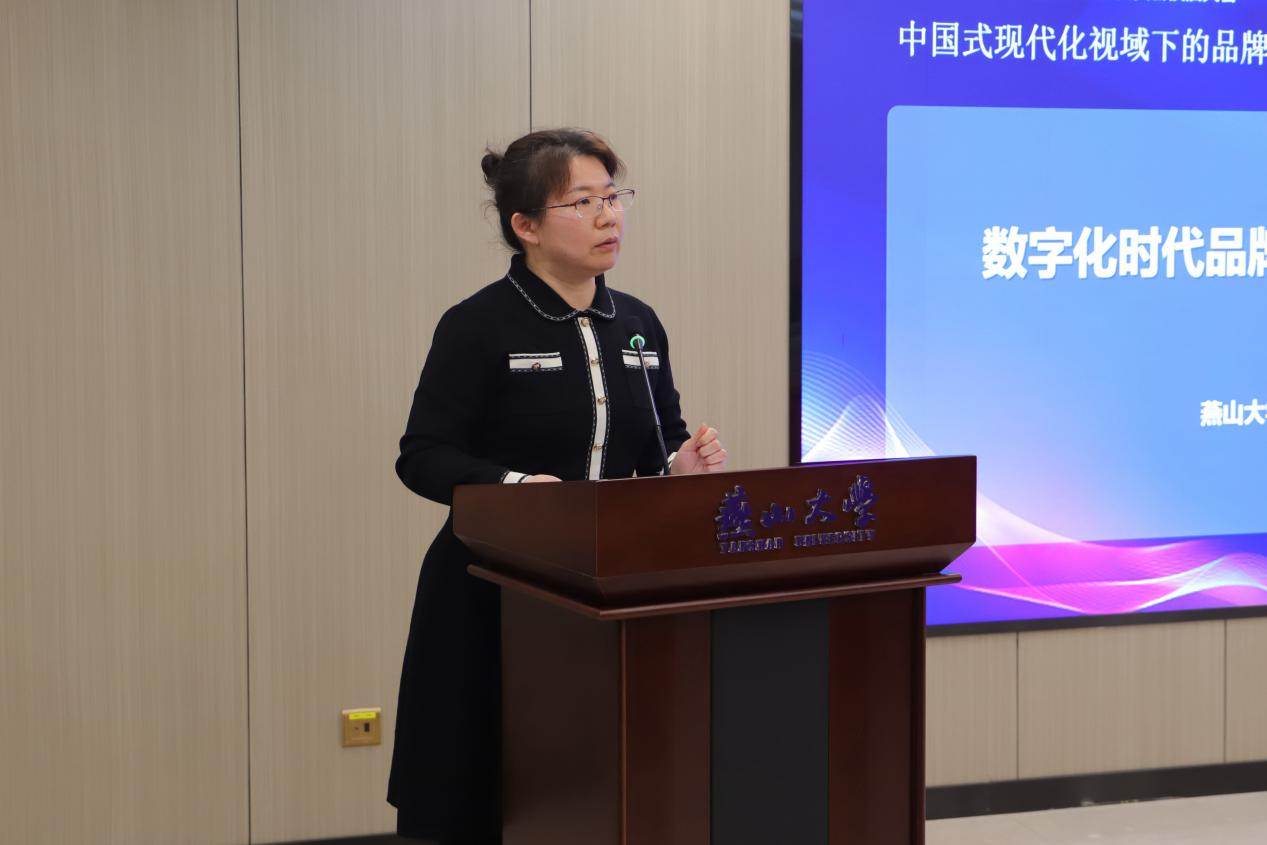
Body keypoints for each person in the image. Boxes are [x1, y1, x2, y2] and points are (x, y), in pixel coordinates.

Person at [387, 128, 727, 844]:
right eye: (583, 202)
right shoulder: (477, 325)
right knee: (487, 791)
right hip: (492, 588)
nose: (609, 215)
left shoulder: (637, 324)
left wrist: (680, 470)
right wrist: (518, 486)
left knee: (596, 790)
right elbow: (423, 455)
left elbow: (659, 438)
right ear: (527, 225)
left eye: (613, 196)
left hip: (607, 589)